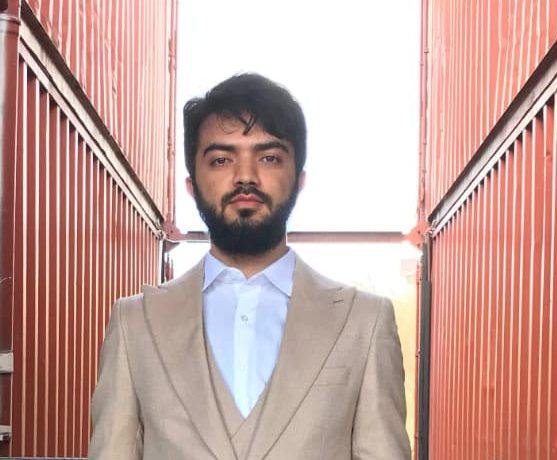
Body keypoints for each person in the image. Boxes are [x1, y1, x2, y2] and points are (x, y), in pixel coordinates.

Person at [88, 73, 411, 460]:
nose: (245, 176)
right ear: (192, 185)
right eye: (221, 160)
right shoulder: (135, 322)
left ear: (299, 180)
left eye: (268, 158)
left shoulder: (364, 322)